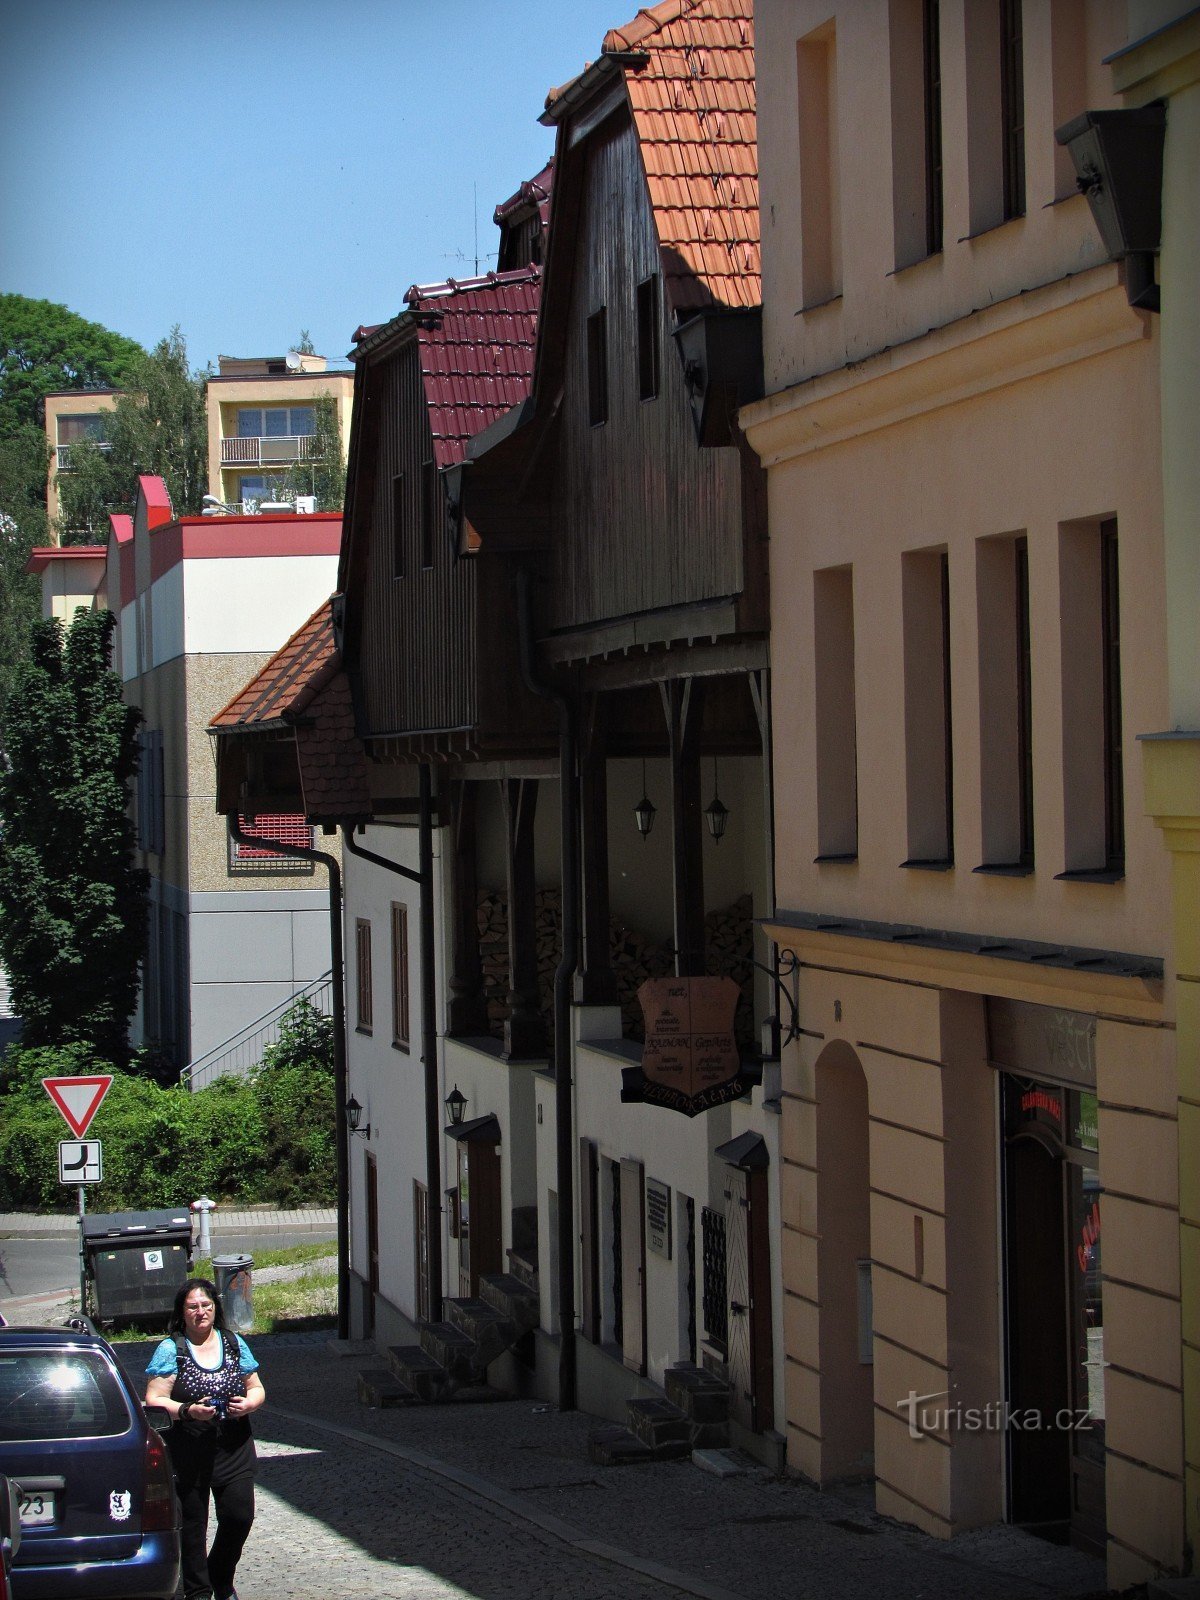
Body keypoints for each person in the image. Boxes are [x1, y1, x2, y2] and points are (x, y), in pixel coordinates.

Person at [145, 1277, 265, 1600]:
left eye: (206, 1305)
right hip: (189, 1451)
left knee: (240, 1516)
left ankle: (220, 1577)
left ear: (215, 1308)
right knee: (193, 1529)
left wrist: (249, 1403)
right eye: (193, 1307)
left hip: (233, 1447)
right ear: (182, 1313)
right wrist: (186, 1410)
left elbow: (256, 1387)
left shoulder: (234, 1343)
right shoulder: (173, 1349)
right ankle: (198, 1591)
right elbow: (155, 1399)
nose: (201, 1312)